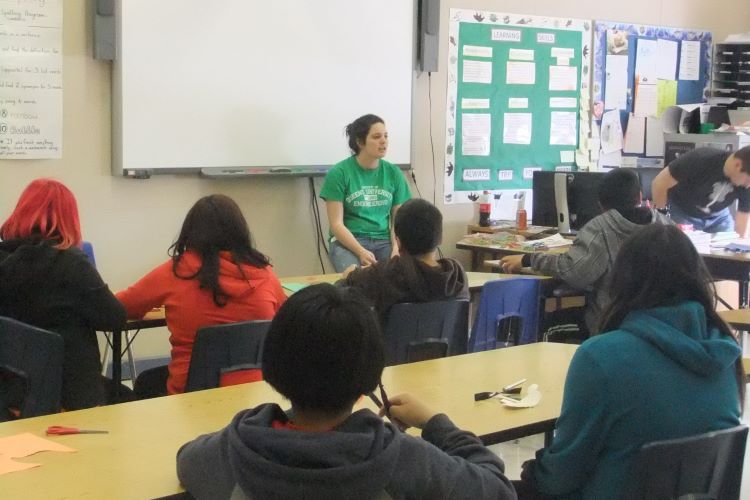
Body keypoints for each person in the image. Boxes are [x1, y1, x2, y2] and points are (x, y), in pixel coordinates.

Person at [176, 283, 516, 500]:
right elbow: (498, 489)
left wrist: (255, 421)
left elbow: (186, 460)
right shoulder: (402, 458)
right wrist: (435, 423)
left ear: (274, 364)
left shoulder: (236, 448)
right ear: (369, 379)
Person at [518, 224, 744, 499]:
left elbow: (561, 477)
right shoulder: (725, 350)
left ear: (622, 280)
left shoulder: (601, 356)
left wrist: (531, 473)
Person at [116, 194, 286, 397]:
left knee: (145, 382)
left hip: (190, 393)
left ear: (191, 232)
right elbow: (284, 319)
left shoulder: (177, 271)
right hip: (252, 391)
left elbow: (121, 307)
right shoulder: (264, 273)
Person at [0, 179, 126, 412]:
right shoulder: (70, 263)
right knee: (125, 396)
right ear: (70, 219)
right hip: (71, 398)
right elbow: (115, 318)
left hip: (12, 396)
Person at [500, 168, 670, 335]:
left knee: (544, 326)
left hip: (611, 325)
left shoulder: (600, 229)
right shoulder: (666, 227)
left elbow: (575, 272)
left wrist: (529, 260)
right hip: (660, 327)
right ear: (640, 197)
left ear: (601, 205)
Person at [339, 198, 469, 321]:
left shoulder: (384, 274)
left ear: (398, 243)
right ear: (440, 238)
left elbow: (347, 287)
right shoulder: (457, 274)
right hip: (447, 345)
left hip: (390, 345)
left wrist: (349, 274)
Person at [320, 114, 411, 272]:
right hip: (348, 241)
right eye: (376, 137)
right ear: (360, 142)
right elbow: (336, 224)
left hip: (384, 240)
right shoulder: (339, 173)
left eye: (386, 136)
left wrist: (397, 248)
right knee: (356, 279)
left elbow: (399, 222)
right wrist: (360, 251)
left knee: (399, 276)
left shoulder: (394, 173)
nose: (383, 141)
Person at [652, 146, 750, 235]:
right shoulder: (700, 159)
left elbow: (743, 216)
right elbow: (659, 183)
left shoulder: (747, 183)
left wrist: (738, 247)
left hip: (719, 217)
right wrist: (663, 220)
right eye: (747, 180)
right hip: (682, 212)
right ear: (737, 165)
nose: (748, 185)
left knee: (727, 249)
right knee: (681, 249)